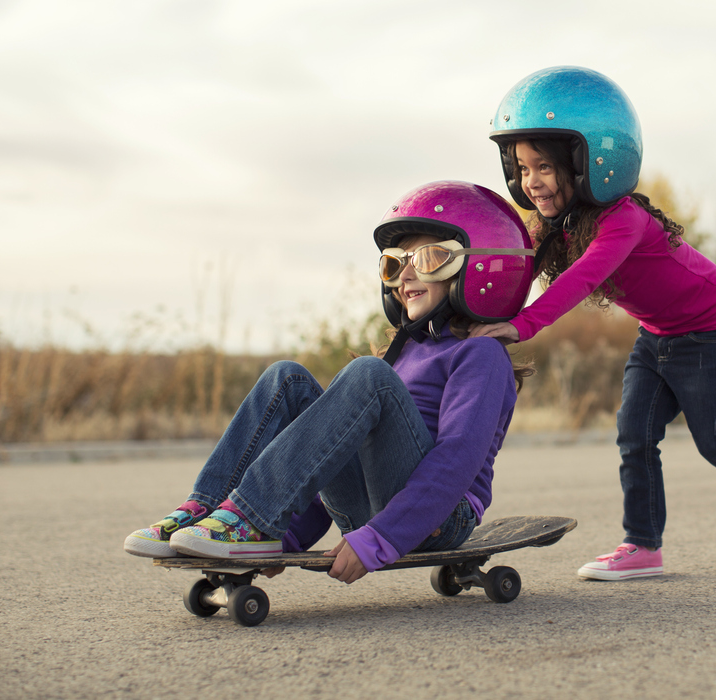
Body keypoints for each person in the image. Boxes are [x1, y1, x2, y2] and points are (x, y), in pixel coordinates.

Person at [472, 66, 716, 580]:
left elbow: (583, 279)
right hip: (657, 335)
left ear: (590, 161)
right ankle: (642, 546)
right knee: (634, 436)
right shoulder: (558, 225)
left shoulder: (623, 221)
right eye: (523, 169)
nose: (532, 182)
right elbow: (517, 267)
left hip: (712, 330)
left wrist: (522, 327)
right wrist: (475, 314)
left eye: (544, 167)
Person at [124, 181, 536, 583]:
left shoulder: (480, 354)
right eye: (396, 262)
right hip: (377, 504)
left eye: (427, 259)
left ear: (478, 266)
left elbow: (457, 460)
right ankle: (210, 509)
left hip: (440, 518)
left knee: (368, 375)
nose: (405, 276)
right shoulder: (406, 348)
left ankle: (249, 517)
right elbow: (335, 455)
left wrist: (382, 538)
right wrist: (285, 539)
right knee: (286, 379)